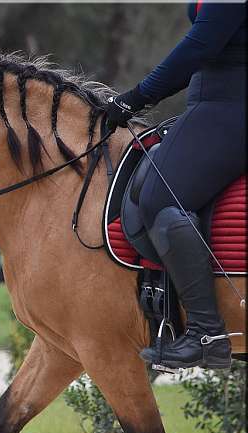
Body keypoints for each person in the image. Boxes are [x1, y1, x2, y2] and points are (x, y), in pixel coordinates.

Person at [105, 1, 246, 369]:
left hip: (230, 106)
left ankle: (206, 334)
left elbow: (200, 46)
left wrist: (135, 98)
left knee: (157, 197)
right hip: (215, 102)